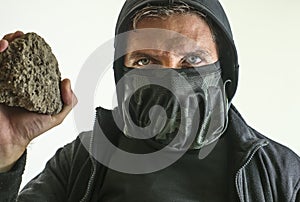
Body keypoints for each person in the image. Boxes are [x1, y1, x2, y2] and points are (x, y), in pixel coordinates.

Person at [0, 0, 299, 201]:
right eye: (145, 61)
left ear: (224, 71)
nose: (170, 80)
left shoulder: (281, 173)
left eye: (192, 59)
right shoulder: (82, 159)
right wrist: (5, 152)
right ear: (122, 73)